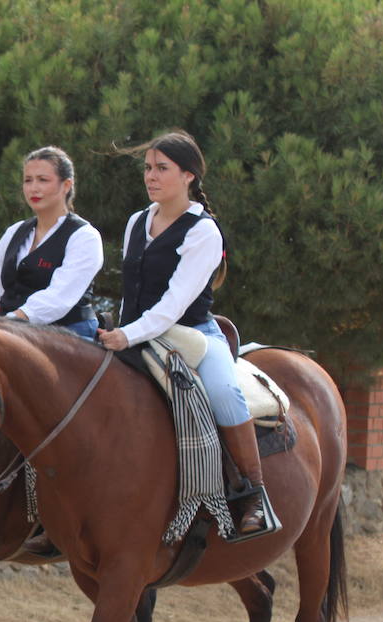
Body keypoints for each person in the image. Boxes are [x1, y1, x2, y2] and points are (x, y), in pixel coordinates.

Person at [96, 130, 273, 539]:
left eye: (162, 169)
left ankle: (252, 494)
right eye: (147, 168)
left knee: (226, 393)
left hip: (192, 336)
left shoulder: (204, 231)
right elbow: (131, 291)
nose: (151, 177)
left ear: (189, 176)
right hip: (138, 331)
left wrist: (127, 335)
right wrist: (119, 331)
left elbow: (173, 305)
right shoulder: (137, 221)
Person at [0, 146, 103, 340]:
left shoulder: (85, 237)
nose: (33, 188)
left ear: (66, 185)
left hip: (67, 338)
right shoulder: (15, 231)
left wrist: (6, 324)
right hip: (8, 333)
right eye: (28, 180)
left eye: (43, 180)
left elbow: (59, 298)